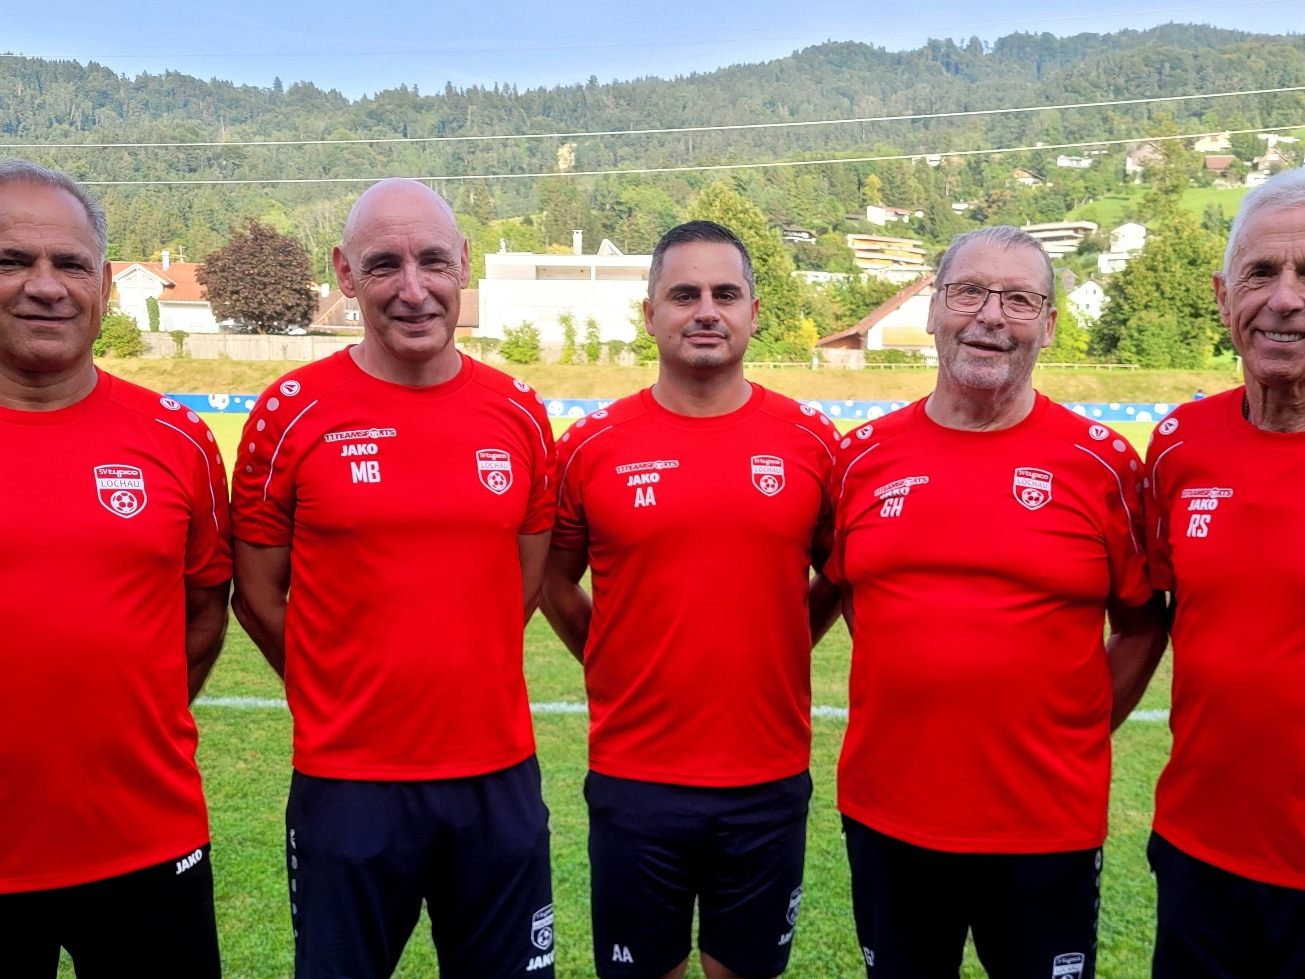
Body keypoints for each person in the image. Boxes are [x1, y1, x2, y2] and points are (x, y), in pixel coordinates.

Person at [230, 178, 557, 979]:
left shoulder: (517, 412)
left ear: (463, 267)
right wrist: (335, 684)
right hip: (348, 786)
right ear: (344, 273)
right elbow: (257, 592)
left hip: (497, 780)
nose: (413, 290)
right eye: (384, 265)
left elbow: (522, 578)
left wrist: (457, 666)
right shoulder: (289, 411)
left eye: (433, 262)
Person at [826, 226, 1166, 979]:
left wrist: (1075, 729)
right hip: (889, 817)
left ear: (1046, 325)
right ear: (930, 310)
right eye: (968, 292)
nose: (990, 316)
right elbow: (853, 590)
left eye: (1019, 299)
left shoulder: (1103, 464)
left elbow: (1143, 620)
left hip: (1045, 826)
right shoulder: (860, 459)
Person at [541, 220, 841, 979]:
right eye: (683, 294)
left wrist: (778, 638)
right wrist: (611, 650)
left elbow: (840, 571)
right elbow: (550, 576)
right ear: (649, 313)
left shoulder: (811, 441)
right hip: (636, 778)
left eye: (723, 293)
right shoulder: (591, 445)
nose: (704, 309)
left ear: (752, 309)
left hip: (766, 777)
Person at [0, 160, 231, 978]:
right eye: (12, 261)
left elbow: (207, 607)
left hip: (146, 844)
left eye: (67, 264)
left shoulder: (177, 441)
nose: (44, 286)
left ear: (102, 283)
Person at [1143, 168, 1305, 978]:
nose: (1284, 300)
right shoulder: (1177, 443)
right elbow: (1150, 609)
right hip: (1197, 852)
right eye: (1261, 272)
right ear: (1220, 294)